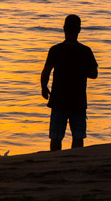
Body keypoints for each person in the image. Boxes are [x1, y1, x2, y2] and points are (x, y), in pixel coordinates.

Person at [41, 14, 98, 151]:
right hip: (78, 99)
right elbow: (94, 74)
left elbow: (46, 71)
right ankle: (75, 160)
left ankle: (55, 161)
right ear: (79, 30)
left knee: (56, 136)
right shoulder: (85, 51)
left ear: (64, 28)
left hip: (59, 99)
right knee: (78, 136)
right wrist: (80, 70)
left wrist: (44, 87)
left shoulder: (56, 50)